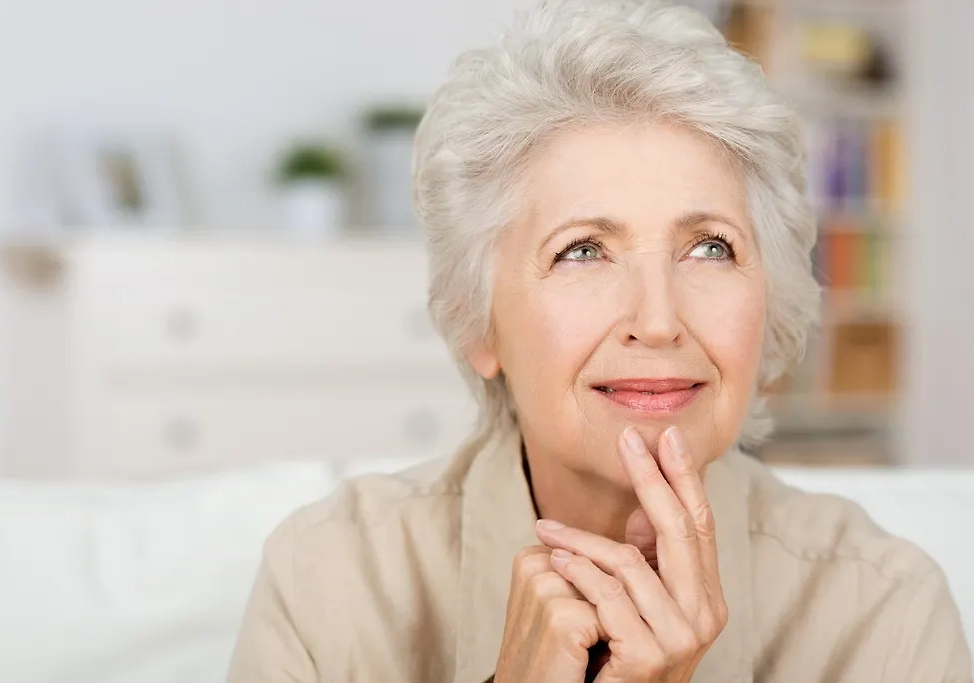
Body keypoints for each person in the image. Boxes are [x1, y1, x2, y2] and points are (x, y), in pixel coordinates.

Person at [227, 1, 971, 681]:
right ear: (477, 320)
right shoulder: (328, 581)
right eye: (582, 251)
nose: (658, 319)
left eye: (710, 247)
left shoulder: (884, 613)